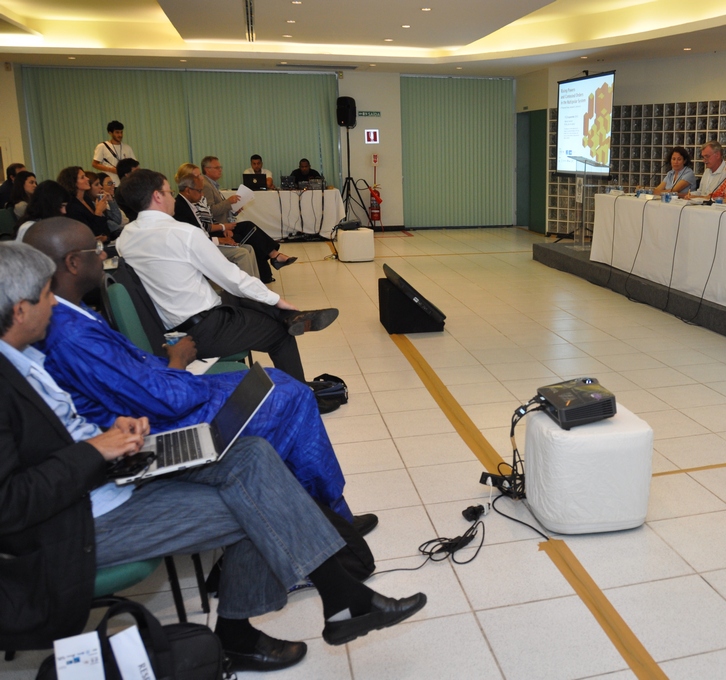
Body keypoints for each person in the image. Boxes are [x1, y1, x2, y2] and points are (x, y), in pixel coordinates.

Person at [0, 241, 426, 667]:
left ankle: (337, 602)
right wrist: (95, 449)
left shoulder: (20, 358)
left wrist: (108, 436)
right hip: (73, 523)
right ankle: (310, 610)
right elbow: (10, 503)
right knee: (258, 503)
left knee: (255, 454)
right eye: (45, 296)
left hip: (104, 476)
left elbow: (59, 430)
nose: (54, 302)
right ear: (19, 311)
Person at [24, 216, 362, 524]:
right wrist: (178, 363)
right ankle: (331, 515)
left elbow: (135, 376)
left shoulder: (71, 312)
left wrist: (171, 365)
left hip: (161, 395)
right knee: (291, 395)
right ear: (72, 263)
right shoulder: (70, 333)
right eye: (96, 249)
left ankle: (318, 513)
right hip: (160, 421)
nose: (103, 255)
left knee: (281, 387)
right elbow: (164, 400)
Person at [115, 169, 337, 382]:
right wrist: (277, 299)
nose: (173, 198)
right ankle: (301, 394)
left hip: (171, 329)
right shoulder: (183, 233)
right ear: (157, 196)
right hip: (203, 332)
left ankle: (289, 317)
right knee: (280, 335)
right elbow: (230, 277)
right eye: (169, 193)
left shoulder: (126, 238)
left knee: (239, 298)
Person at [179, 162, 297, 282]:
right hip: (211, 237)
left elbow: (207, 218)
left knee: (251, 234)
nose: (201, 178)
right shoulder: (200, 192)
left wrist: (227, 220)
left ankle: (263, 275)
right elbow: (210, 214)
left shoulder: (205, 190)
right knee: (250, 234)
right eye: (197, 176)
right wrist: (225, 220)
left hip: (217, 229)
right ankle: (268, 267)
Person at [172, 164, 260, 280]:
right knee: (242, 253)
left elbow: (204, 226)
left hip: (207, 242)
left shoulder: (190, 203)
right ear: (188, 190)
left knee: (249, 248)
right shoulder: (181, 208)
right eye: (199, 191)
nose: (202, 194)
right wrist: (221, 239)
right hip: (201, 249)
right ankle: (248, 294)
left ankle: (256, 286)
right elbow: (195, 239)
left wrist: (223, 229)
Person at [57, 166, 112, 241]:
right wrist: (98, 212)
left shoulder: (86, 199)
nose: (87, 179)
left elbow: (104, 227)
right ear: (73, 182)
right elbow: (89, 233)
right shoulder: (71, 206)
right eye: (83, 177)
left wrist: (106, 237)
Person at [92, 120, 136, 186]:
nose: (120, 135)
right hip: (110, 184)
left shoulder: (127, 147)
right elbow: (94, 164)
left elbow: (134, 165)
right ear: (110, 133)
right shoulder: (102, 146)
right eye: (117, 132)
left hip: (125, 184)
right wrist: (111, 170)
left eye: (121, 132)